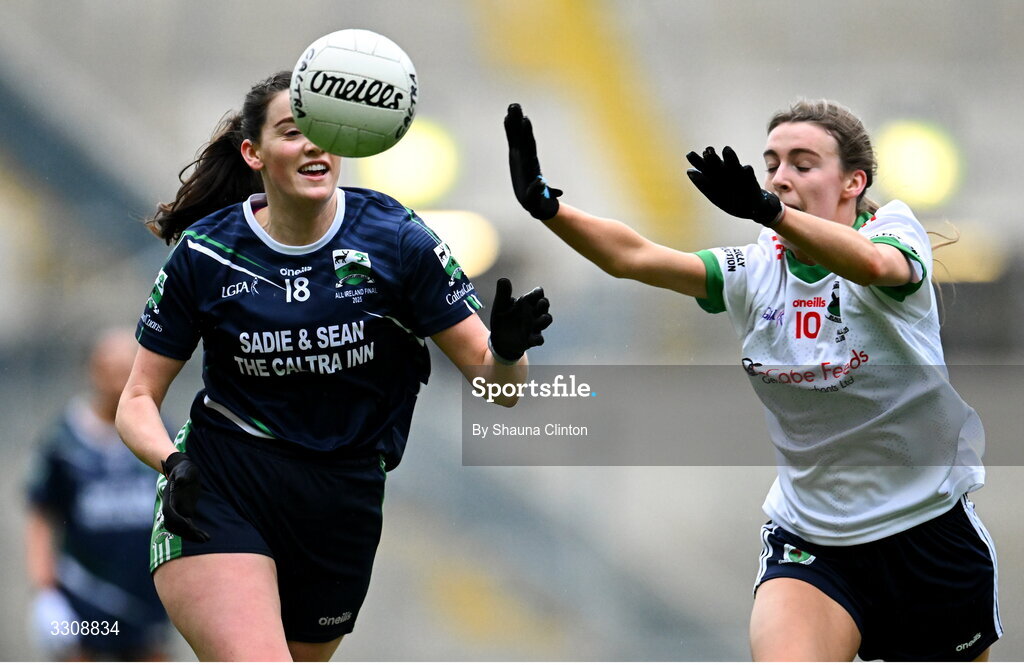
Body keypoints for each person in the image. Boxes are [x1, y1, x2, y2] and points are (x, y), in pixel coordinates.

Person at [503, 100, 999, 662]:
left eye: (803, 164)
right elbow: (634, 257)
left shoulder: (889, 232)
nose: (781, 177)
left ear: (853, 182)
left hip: (925, 534)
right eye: (772, 164)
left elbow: (874, 266)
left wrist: (772, 212)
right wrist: (547, 207)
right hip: (814, 543)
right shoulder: (755, 271)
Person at [115, 71, 552, 662]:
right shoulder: (207, 253)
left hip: (341, 505)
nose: (313, 145)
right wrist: (173, 461)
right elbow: (137, 397)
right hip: (223, 487)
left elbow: (501, 390)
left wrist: (505, 350)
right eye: (293, 132)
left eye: (323, 131)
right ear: (254, 152)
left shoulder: (397, 240)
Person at [25, 328, 170, 661]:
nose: (121, 381)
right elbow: (41, 517)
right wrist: (45, 593)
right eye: (112, 371)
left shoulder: (162, 437)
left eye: (128, 370)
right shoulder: (64, 443)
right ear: (93, 371)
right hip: (82, 605)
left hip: (146, 605)